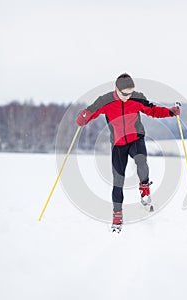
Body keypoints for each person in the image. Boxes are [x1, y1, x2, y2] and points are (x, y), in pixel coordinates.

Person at [76, 73, 180, 231]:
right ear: (116, 89)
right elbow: (90, 112)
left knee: (141, 160)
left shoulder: (137, 98)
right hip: (118, 144)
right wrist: (83, 118)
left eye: (131, 93)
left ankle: (145, 191)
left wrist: (170, 112)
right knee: (118, 182)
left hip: (136, 138)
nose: (128, 96)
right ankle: (117, 216)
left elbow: (153, 110)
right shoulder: (105, 101)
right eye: (125, 93)